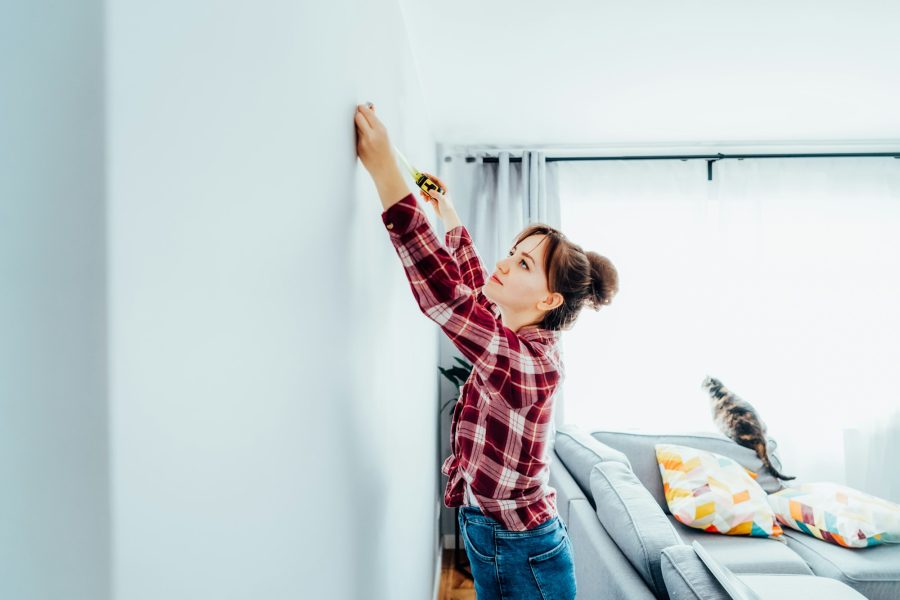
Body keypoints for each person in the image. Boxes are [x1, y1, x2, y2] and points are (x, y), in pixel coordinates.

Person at [355, 102, 619, 600]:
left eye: (521, 264)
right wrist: (445, 210)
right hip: (498, 532)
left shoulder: (529, 364)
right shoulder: (515, 329)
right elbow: (475, 283)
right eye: (513, 252)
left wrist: (387, 176)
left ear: (547, 299)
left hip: (522, 550)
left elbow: (448, 298)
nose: (505, 263)